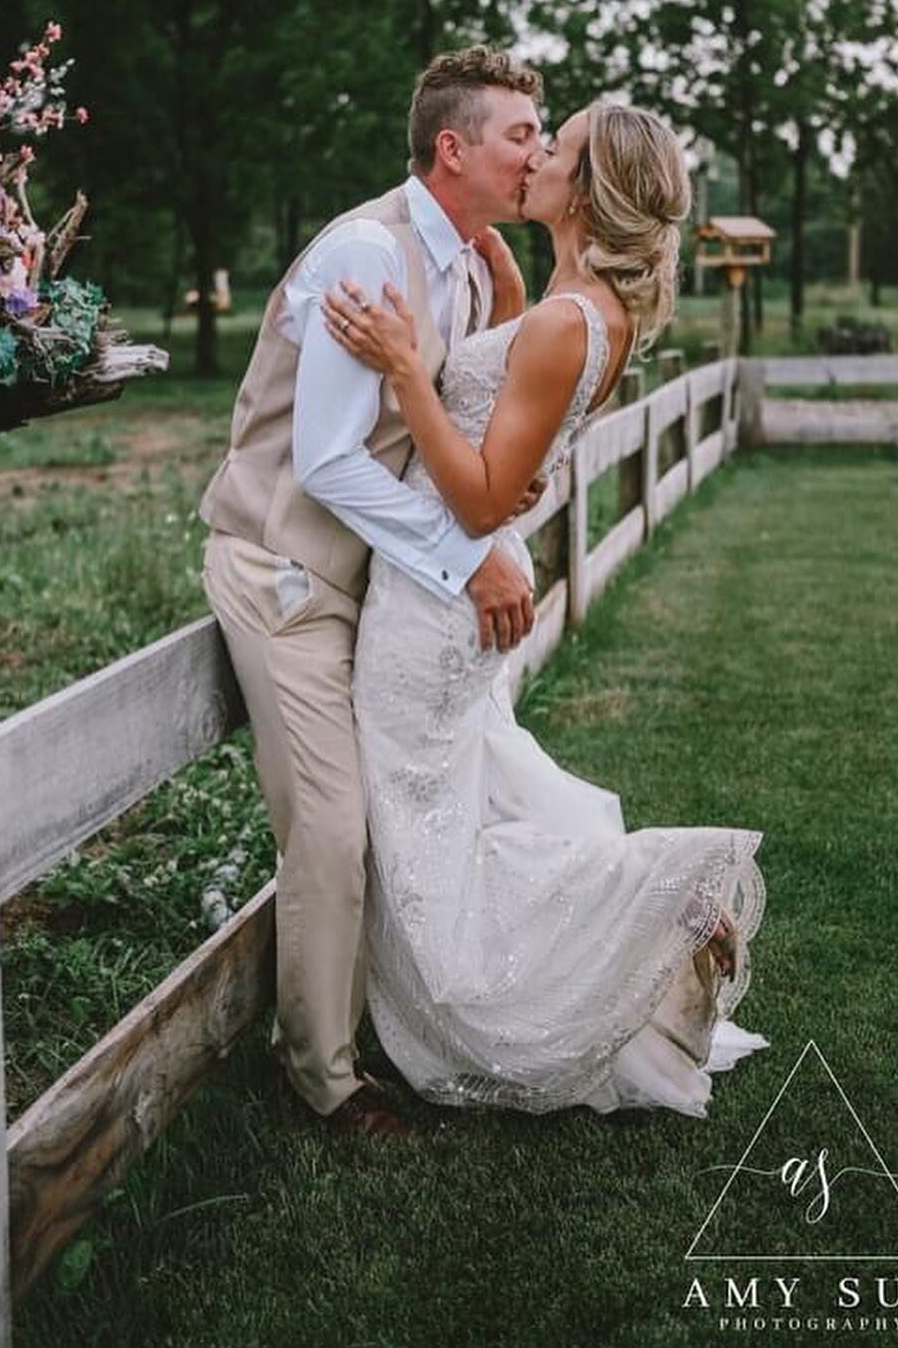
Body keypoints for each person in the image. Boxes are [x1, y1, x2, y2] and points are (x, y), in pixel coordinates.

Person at [321, 100, 768, 1118]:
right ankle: (641, 924)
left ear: (588, 190)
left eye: (551, 149)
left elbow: (479, 497)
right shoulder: (573, 304)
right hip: (451, 587)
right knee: (462, 799)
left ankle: (661, 905)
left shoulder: (574, 321)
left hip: (440, 593)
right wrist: (495, 264)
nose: (531, 158)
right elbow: (508, 406)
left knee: (422, 819)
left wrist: (403, 369)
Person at [200, 48, 552, 1138]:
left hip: (362, 580)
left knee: (396, 812)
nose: (535, 154)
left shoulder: (464, 258)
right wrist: (467, 558)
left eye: (539, 137)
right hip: (283, 570)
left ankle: (375, 1030)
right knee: (331, 823)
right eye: (518, 137)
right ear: (452, 148)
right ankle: (323, 1079)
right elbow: (328, 459)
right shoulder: (368, 251)